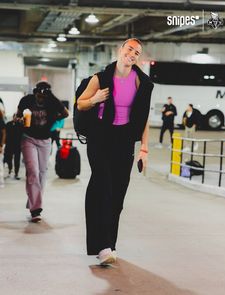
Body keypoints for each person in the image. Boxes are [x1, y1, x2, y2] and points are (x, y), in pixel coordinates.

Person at [77, 38, 153, 265]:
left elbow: (143, 118)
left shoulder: (141, 82)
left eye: (137, 52)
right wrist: (95, 98)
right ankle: (102, 246)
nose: (132, 54)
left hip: (124, 140)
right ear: (121, 50)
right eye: (129, 49)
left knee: (118, 195)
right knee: (104, 187)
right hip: (100, 137)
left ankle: (109, 244)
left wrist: (144, 148)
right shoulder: (100, 78)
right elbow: (80, 103)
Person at [16, 81, 69, 222]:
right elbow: (17, 115)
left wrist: (53, 120)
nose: (40, 97)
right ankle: (36, 209)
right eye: (38, 93)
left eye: (44, 94)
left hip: (45, 141)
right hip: (28, 139)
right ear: (35, 92)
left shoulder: (52, 102)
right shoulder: (26, 100)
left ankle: (33, 202)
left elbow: (65, 113)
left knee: (42, 173)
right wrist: (20, 120)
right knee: (32, 171)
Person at [4, 114, 23, 179]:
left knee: (17, 160)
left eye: (18, 117)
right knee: (9, 158)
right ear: (13, 117)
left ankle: (16, 173)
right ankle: (10, 169)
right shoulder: (8, 124)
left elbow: (23, 135)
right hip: (9, 144)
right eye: (15, 116)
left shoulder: (20, 125)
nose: (16, 118)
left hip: (17, 145)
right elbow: (5, 133)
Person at [0, 109, 6, 188]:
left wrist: (1, 145)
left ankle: (1, 181)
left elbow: (4, 133)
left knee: (0, 164)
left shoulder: (1, 121)